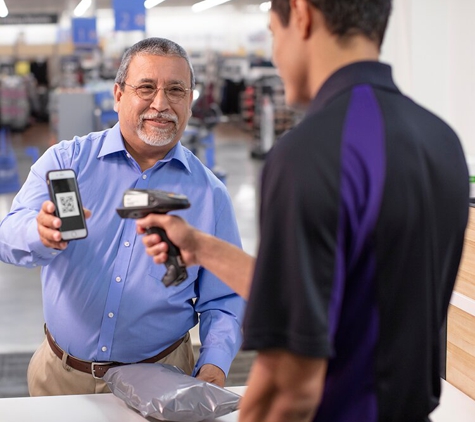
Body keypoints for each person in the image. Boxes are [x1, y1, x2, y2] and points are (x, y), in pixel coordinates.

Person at [136, 1, 470, 421]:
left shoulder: (310, 152)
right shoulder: (440, 141)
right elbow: (341, 292)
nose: (276, 55)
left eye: (274, 34)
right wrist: (201, 247)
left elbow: (291, 382)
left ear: (302, 14)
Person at [0, 37, 245, 396]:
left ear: (190, 101)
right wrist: (39, 233)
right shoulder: (67, 161)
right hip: (60, 376)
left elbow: (223, 299)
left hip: (162, 379)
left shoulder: (210, 195)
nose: (160, 104)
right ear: (118, 95)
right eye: (146, 88)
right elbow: (7, 236)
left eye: (176, 90)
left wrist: (214, 362)